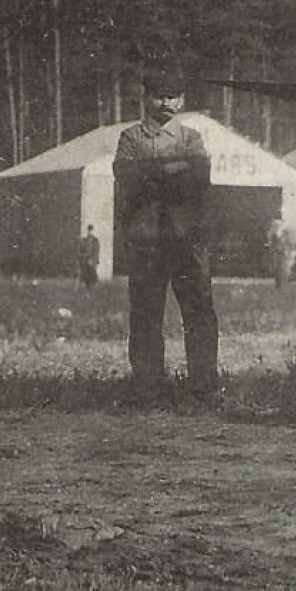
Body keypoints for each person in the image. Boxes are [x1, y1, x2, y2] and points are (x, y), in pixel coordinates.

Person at [113, 68, 220, 404]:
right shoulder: (130, 138)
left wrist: (151, 175)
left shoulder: (192, 137)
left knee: (199, 313)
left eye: (173, 96)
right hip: (146, 242)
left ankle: (203, 387)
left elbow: (199, 179)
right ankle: (148, 388)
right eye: (159, 95)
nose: (166, 103)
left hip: (186, 241)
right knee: (146, 315)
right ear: (146, 98)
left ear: (183, 99)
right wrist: (172, 170)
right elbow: (127, 178)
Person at [76, 224, 101, 289]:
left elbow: (97, 251)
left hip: (93, 259)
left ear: (93, 231)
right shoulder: (85, 239)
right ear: (88, 231)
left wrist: (92, 259)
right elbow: (83, 249)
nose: (90, 232)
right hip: (86, 259)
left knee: (92, 271)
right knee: (85, 272)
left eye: (91, 230)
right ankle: (86, 285)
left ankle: (94, 284)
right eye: (89, 230)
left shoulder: (95, 240)